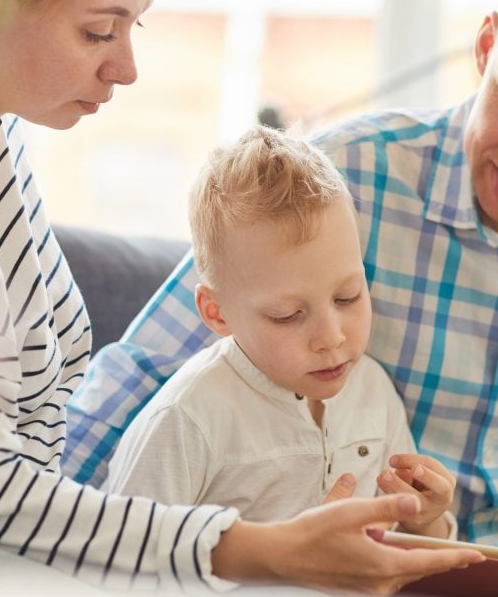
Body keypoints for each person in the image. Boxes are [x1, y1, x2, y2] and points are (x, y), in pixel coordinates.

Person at [0, 0, 483, 594]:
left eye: (133, 26)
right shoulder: (197, 410)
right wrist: (265, 549)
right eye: (97, 30)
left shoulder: (2, 148)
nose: (127, 67)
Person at [63, 0, 498, 593]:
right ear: (484, 48)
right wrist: (34, 525)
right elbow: (147, 376)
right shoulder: (345, 179)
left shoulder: (372, 397)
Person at [105, 125, 458, 540]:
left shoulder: (374, 392)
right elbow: (123, 564)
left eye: (347, 296)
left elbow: (402, 553)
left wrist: (426, 521)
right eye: (288, 315)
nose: (331, 337)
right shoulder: (186, 419)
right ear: (217, 313)